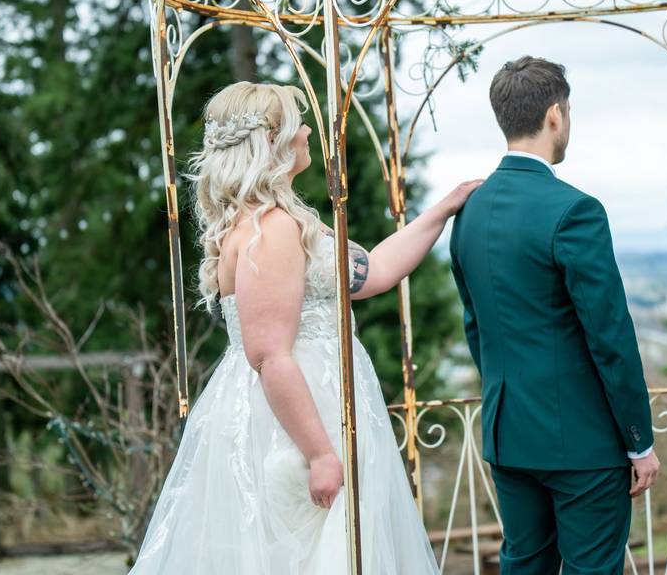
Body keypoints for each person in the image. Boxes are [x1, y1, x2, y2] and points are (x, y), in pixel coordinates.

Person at [130, 81, 481, 574]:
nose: (308, 131)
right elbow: (269, 355)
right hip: (293, 422)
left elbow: (373, 271)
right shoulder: (267, 230)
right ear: (273, 141)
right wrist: (319, 453)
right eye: (299, 123)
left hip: (320, 403)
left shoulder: (286, 221)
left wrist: (442, 209)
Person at [449, 56, 660, 574]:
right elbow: (609, 336)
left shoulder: (467, 212)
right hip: (584, 444)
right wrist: (640, 441)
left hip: (509, 435)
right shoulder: (576, 210)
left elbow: (476, 327)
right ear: (554, 116)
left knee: (524, 565)